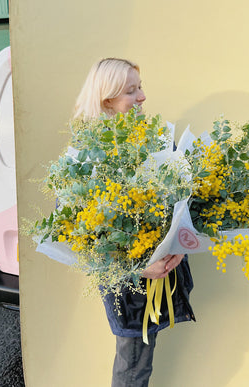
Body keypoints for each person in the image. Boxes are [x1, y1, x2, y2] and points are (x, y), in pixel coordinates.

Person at [74, 58, 195, 387]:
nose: (142, 96)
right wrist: (140, 269)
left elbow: (183, 202)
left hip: (163, 275)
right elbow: (78, 237)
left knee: (143, 358)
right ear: (107, 100)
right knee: (133, 365)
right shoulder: (88, 156)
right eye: (131, 90)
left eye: (140, 87)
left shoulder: (156, 139)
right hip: (128, 286)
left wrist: (180, 246)